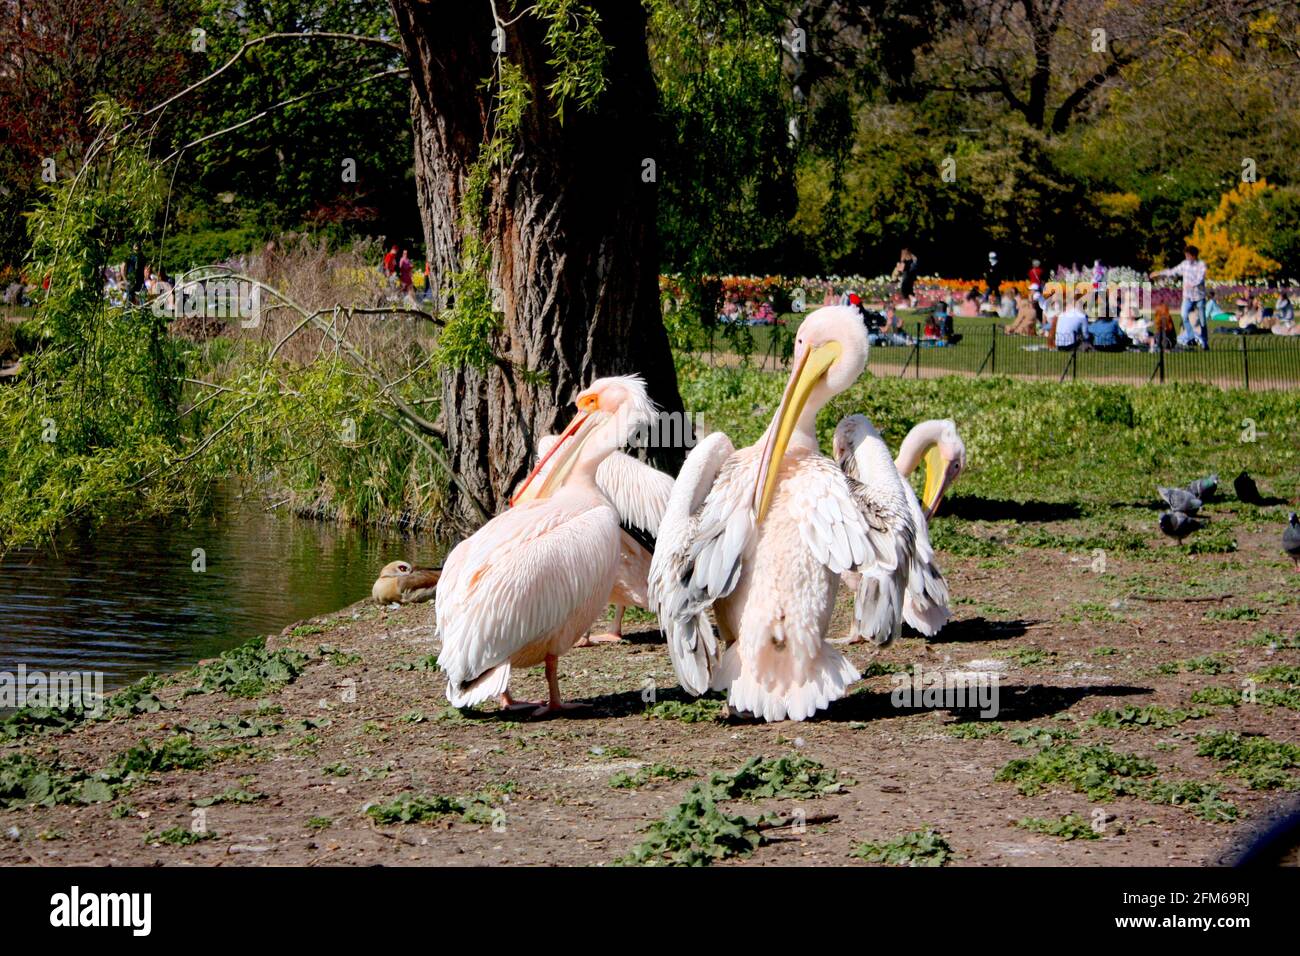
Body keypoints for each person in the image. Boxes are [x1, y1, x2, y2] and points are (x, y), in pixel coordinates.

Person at [1153, 244, 1209, 349]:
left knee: (1202, 321)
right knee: (1184, 315)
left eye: (1188, 256)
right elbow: (1173, 271)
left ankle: (1205, 343)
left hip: (1199, 296)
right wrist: (1159, 273)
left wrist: (1191, 284)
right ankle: (1191, 336)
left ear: (1194, 256)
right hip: (1187, 297)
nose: (1187, 258)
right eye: (1186, 256)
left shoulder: (1201, 265)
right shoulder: (1185, 264)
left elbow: (1200, 279)